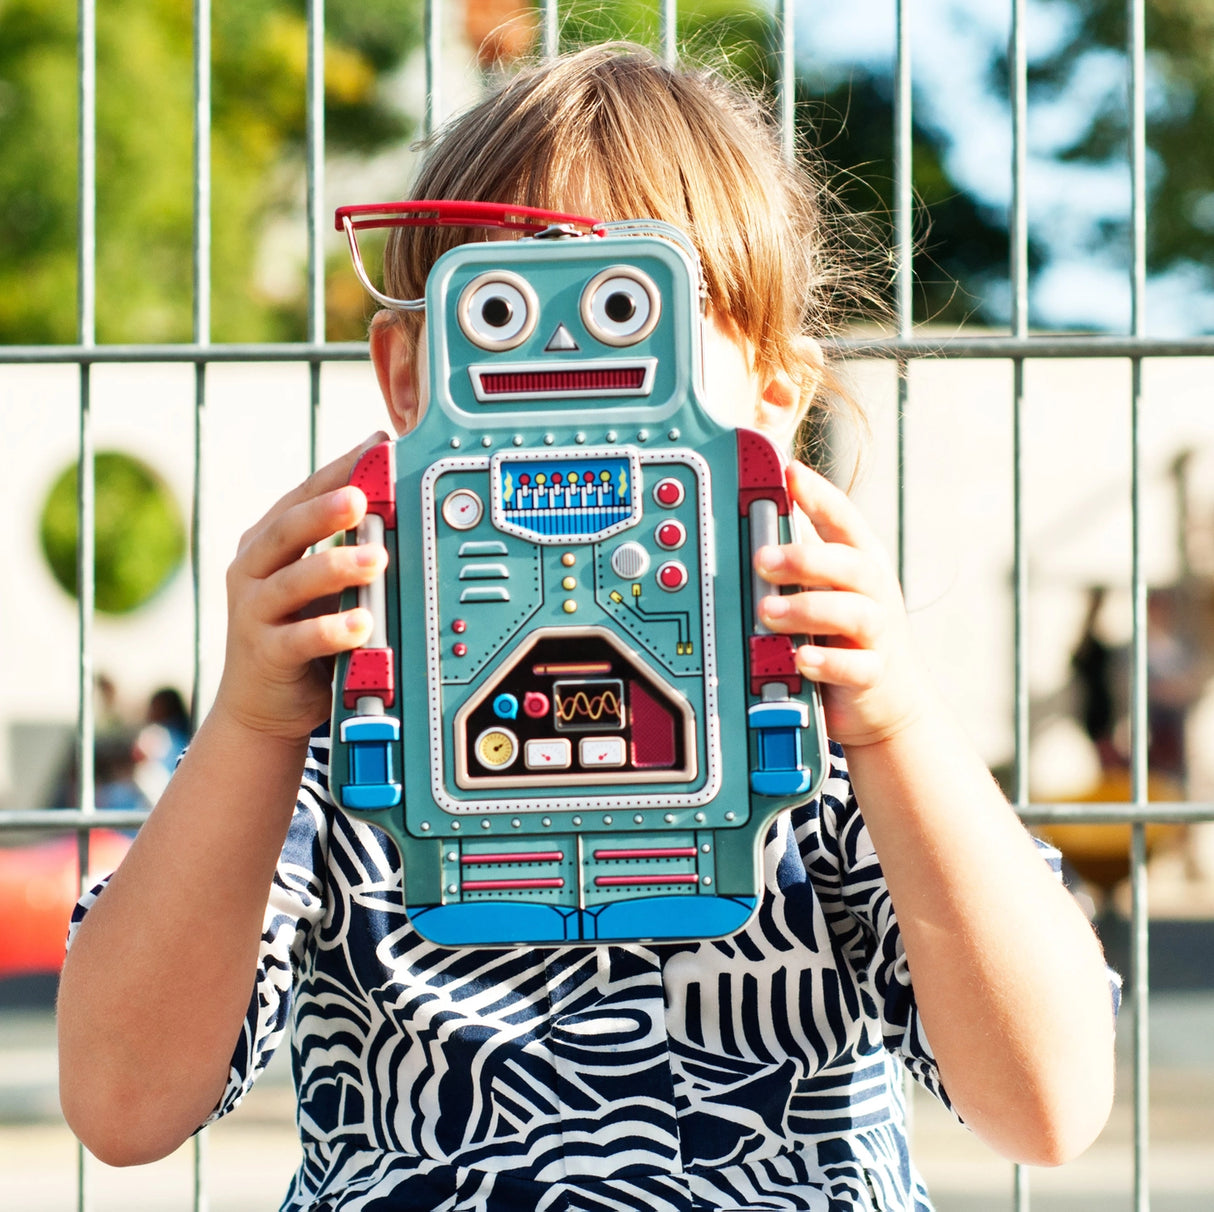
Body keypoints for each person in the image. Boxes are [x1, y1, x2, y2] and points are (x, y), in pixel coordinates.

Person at [57, 44, 1117, 1211]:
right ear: (407, 375)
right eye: (504, 313)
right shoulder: (339, 704)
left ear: (774, 392)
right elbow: (123, 1102)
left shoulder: (820, 713)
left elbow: (1047, 1102)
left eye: (631, 313)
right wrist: (254, 724)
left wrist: (897, 723)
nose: (571, 368)